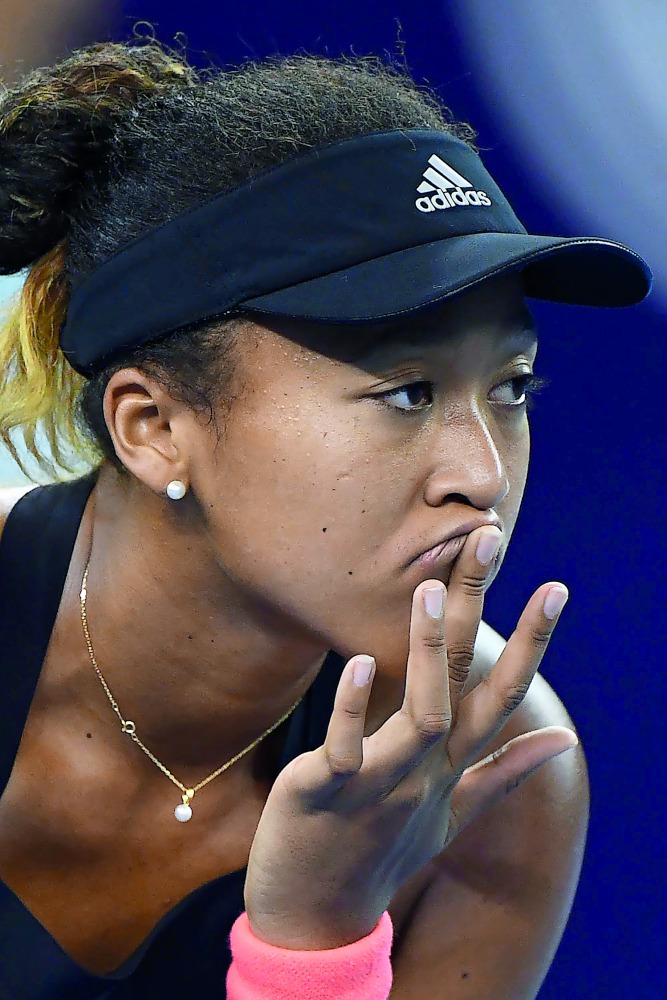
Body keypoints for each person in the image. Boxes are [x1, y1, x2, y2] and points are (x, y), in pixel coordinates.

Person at [0, 37, 651, 1000]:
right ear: (154, 429)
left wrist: (315, 940)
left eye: (510, 388)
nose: (481, 476)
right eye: (405, 392)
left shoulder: (499, 779)